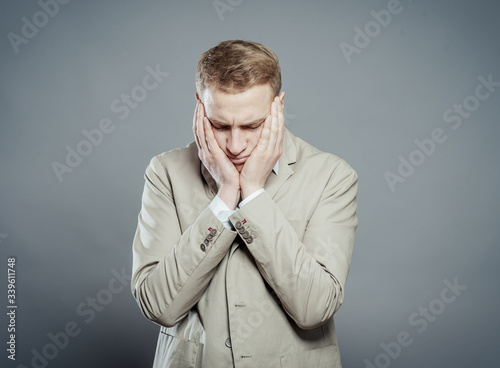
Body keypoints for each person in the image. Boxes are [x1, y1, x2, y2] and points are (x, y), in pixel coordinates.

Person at [131, 39, 358, 368]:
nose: (235, 145)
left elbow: (314, 309)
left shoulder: (332, 176)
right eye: (220, 125)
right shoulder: (165, 172)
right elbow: (159, 306)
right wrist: (224, 198)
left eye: (252, 125)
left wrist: (252, 193)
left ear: (278, 107)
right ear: (200, 106)